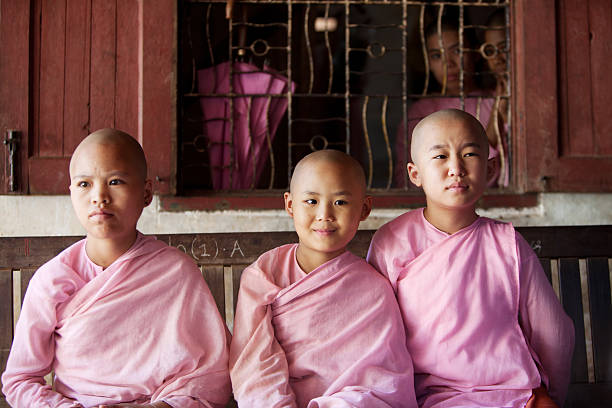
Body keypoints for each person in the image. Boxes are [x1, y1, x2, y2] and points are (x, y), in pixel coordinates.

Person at [1, 129, 231, 408]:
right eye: (84, 184)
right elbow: (20, 380)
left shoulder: (176, 272)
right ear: (71, 192)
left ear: (146, 193)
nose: (99, 196)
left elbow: (211, 375)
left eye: (115, 181)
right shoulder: (53, 280)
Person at [369, 109, 574, 408]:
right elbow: (380, 337)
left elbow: (553, 332)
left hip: (516, 395)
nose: (456, 168)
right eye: (440, 156)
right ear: (415, 174)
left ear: (490, 170)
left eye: (469, 154)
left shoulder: (508, 243)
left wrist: (545, 392)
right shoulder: (390, 242)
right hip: (432, 399)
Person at [229, 150, 417, 407]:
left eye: (340, 202)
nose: (324, 215)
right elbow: (253, 361)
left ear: (364, 208)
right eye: (311, 201)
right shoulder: (264, 274)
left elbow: (382, 378)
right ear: (290, 205)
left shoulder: (374, 289)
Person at [395, 17, 504, 188]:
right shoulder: (420, 113)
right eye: (437, 56)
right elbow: (406, 180)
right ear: (428, 63)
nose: (448, 64)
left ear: (475, 53)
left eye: (457, 51)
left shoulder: (498, 100)